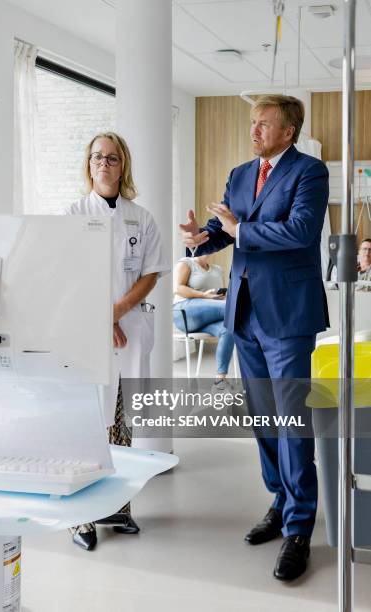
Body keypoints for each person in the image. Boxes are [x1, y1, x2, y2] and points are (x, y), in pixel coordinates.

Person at [180, 94, 329, 581]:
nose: (254, 130)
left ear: (289, 131)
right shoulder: (243, 173)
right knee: (264, 417)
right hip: (243, 312)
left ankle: (300, 525)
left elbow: (301, 231)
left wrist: (238, 229)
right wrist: (201, 237)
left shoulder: (309, 172)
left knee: (292, 420)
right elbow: (224, 230)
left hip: (287, 314)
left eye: (264, 124)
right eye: (252, 123)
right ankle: (279, 500)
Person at [66, 132, 170, 550]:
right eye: (97, 157)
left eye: (111, 158)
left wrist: (118, 310)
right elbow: (69, 274)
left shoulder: (140, 218)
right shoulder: (73, 213)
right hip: (89, 331)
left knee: (123, 421)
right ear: (88, 164)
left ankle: (116, 507)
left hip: (130, 329)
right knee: (90, 421)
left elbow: (152, 272)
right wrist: (100, 316)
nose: (104, 164)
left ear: (122, 165)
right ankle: (81, 517)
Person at [173, 254, 234, 386]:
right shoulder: (186, 263)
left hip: (207, 317)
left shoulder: (217, 269)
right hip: (185, 312)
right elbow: (178, 288)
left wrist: (221, 296)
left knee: (228, 329)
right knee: (234, 308)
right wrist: (204, 295)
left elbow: (220, 299)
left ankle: (220, 380)